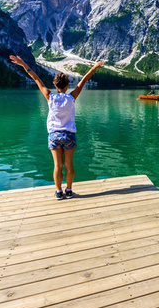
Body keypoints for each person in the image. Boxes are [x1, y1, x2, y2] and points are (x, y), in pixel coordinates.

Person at [10, 56, 104, 200]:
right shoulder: (71, 97)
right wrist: (93, 68)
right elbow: (83, 81)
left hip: (54, 135)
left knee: (57, 166)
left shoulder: (50, 96)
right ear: (67, 86)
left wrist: (23, 64)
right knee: (68, 165)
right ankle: (70, 191)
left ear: (55, 85)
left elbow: (35, 78)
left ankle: (59, 192)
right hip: (69, 135)